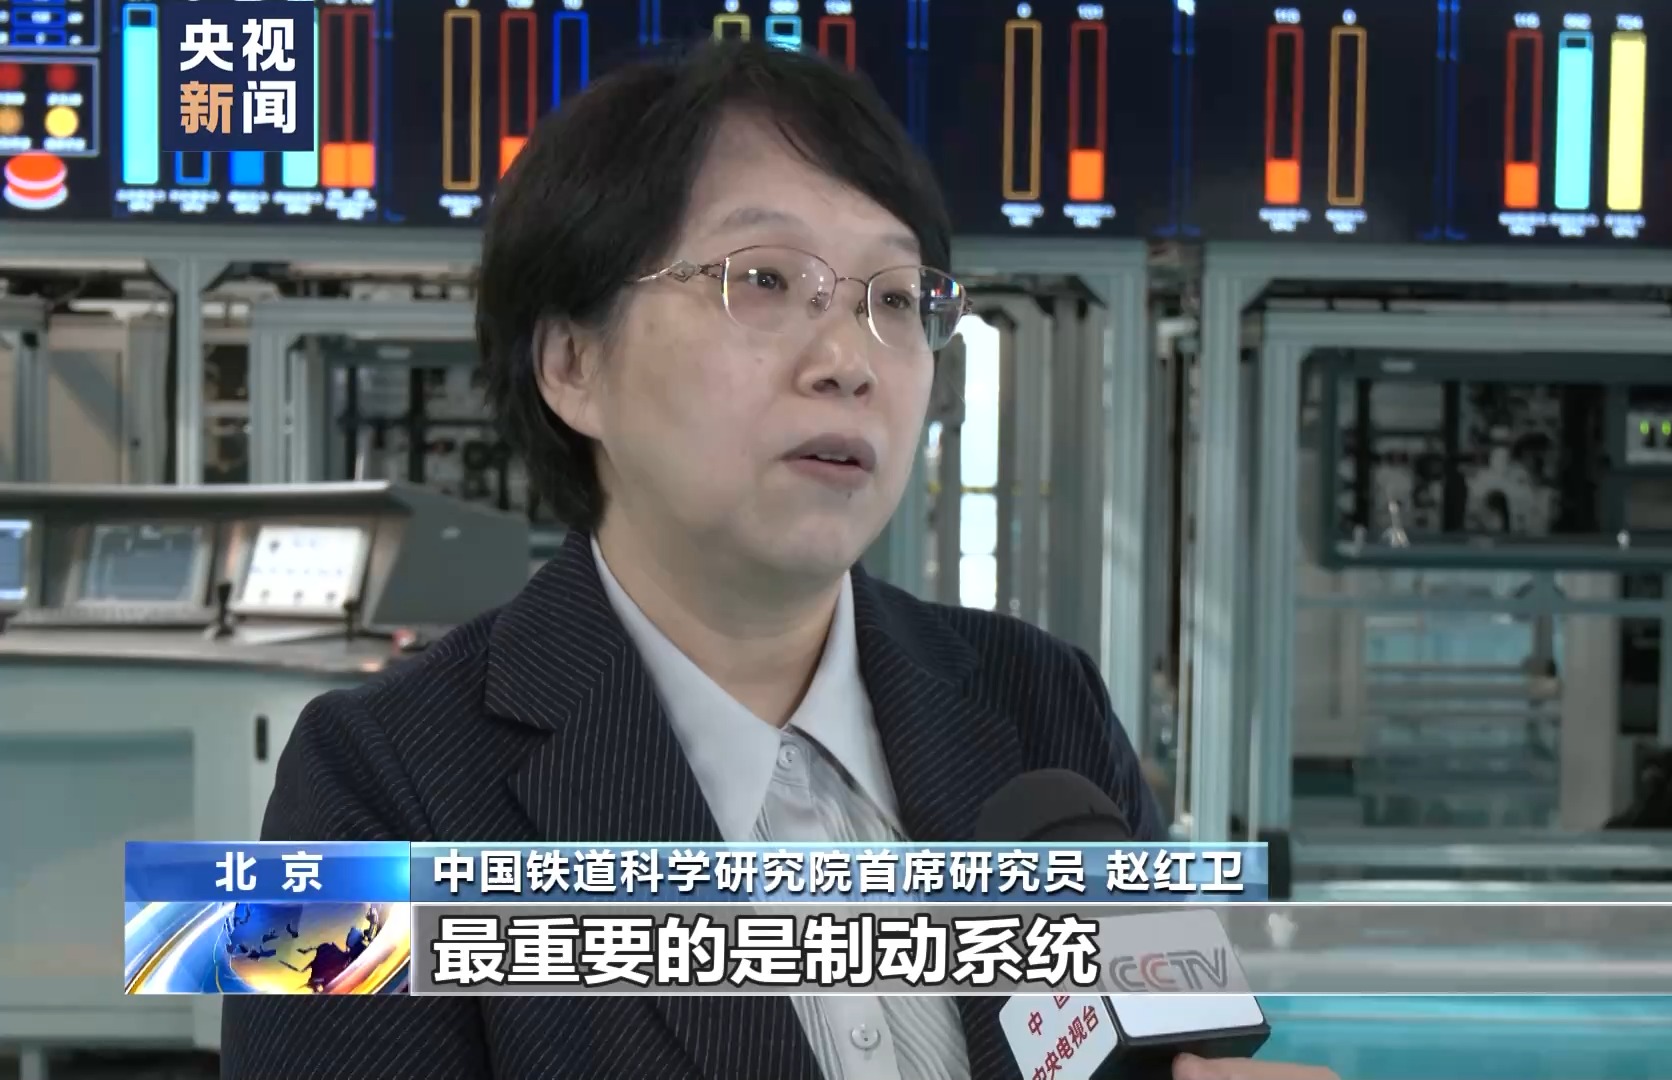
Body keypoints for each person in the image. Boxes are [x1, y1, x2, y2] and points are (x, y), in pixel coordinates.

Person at [221, 40, 1335, 1080]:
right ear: (572, 364)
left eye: (895, 299)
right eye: (762, 279)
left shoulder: (1045, 708)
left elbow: (1186, 1053)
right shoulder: (369, 789)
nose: (850, 359)